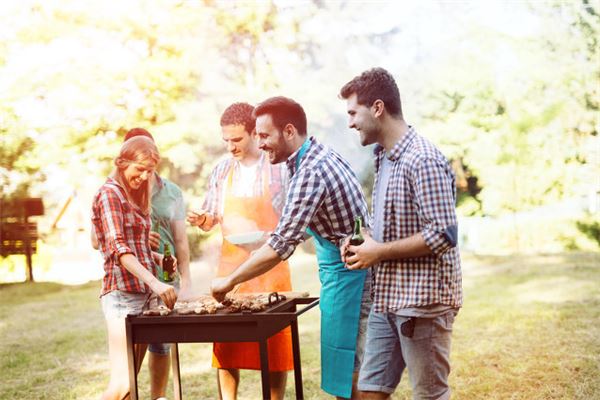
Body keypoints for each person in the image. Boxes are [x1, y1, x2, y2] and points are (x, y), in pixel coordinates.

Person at [210, 96, 371, 399]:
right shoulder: (305, 158)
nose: (259, 144)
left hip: (353, 276)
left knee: (353, 373)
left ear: (288, 131)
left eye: (264, 135)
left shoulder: (310, 170)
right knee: (345, 368)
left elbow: (282, 244)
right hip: (340, 271)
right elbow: (303, 225)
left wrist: (230, 281)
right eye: (256, 135)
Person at [339, 67, 463, 400]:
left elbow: (443, 234)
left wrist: (378, 252)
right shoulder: (386, 159)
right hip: (387, 300)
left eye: (353, 113)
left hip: (423, 304)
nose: (350, 122)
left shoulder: (423, 159)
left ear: (377, 108)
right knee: (369, 392)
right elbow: (391, 228)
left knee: (429, 395)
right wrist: (363, 242)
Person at [187, 102, 292, 400]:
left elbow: (289, 218)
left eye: (237, 139)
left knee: (275, 345)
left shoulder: (277, 167)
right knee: (227, 345)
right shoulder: (221, 170)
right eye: (226, 140)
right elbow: (212, 217)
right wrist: (202, 219)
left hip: (270, 265)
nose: (230, 147)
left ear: (253, 133)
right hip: (230, 267)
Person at [92, 128, 193, 400]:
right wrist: (156, 282)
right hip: (122, 296)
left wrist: (159, 259)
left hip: (143, 295)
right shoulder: (110, 194)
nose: (146, 176)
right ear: (122, 162)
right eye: (141, 169)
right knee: (122, 384)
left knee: (131, 388)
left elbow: (137, 244)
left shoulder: (131, 193)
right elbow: (118, 249)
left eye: (150, 171)